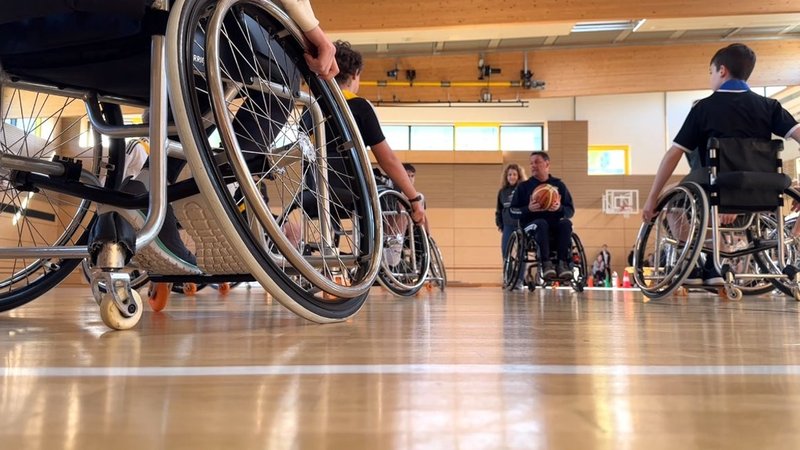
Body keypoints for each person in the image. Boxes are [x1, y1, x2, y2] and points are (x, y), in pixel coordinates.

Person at [642, 43, 800, 286]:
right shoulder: (771, 107)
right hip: (761, 192)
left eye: (711, 73)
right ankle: (713, 260)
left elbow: (674, 154)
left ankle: (698, 263)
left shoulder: (703, 108)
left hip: (717, 190)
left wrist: (652, 198)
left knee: (672, 206)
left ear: (722, 71)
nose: (711, 78)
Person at [333, 41, 425, 225]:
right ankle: (392, 251)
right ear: (355, 74)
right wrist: (414, 198)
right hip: (354, 192)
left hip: (315, 191)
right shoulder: (359, 106)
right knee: (395, 198)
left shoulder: (311, 109)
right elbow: (387, 159)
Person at [510, 151, 575, 279]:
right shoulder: (524, 187)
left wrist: (559, 207)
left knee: (566, 223)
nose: (533, 165)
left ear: (547, 164)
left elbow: (570, 210)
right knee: (541, 223)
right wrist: (527, 209)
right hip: (531, 227)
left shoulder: (558, 185)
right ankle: (546, 264)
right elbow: (512, 211)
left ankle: (562, 264)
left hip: (554, 226)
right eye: (531, 163)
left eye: (537, 162)